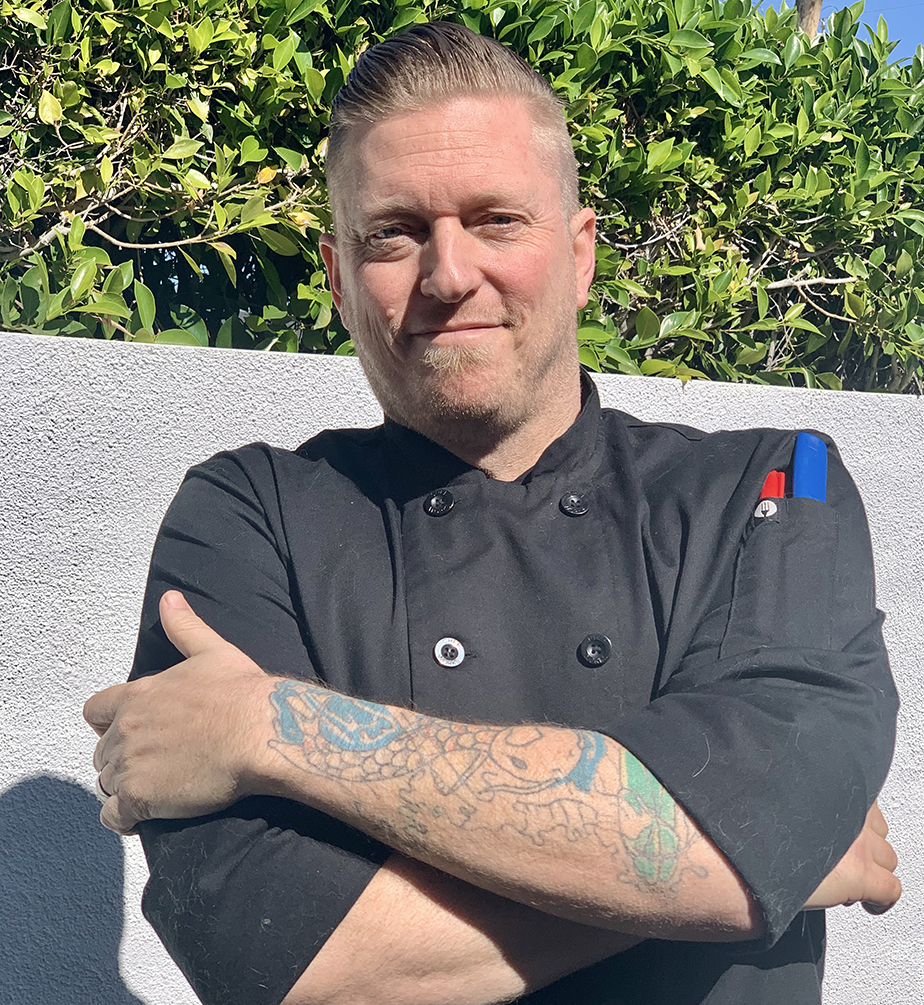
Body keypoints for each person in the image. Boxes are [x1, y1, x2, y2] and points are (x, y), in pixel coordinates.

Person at [83, 21, 901, 1005]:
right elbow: (301, 971)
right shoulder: (249, 514)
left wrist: (274, 726)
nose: (448, 273)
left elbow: (757, 828)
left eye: (497, 220)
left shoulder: (766, 485)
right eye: (394, 233)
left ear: (580, 253)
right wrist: (744, 861)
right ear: (338, 279)